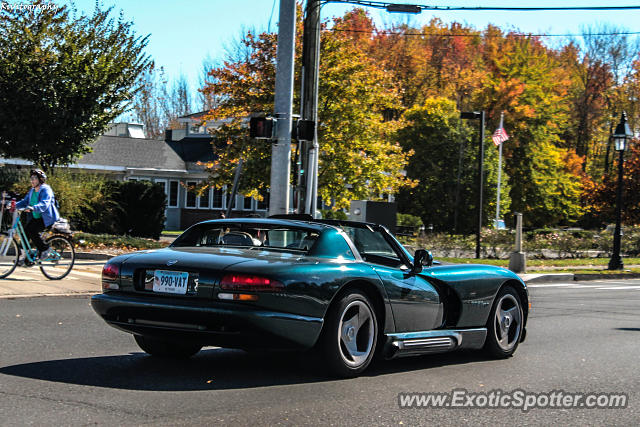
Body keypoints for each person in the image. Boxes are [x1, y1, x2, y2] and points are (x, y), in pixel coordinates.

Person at [15, 169, 60, 260]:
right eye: (31, 178)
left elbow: (45, 204)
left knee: (32, 230)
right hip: (36, 217)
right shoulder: (32, 191)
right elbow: (25, 201)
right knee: (25, 232)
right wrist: (13, 205)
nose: (32, 180)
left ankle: (45, 250)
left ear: (40, 180)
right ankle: (24, 256)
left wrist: (33, 208)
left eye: (34, 178)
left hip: (47, 219)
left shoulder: (46, 189)